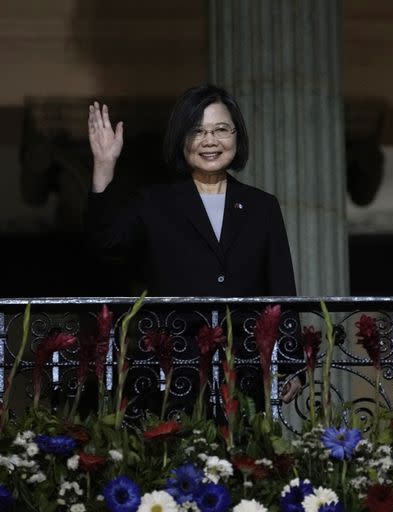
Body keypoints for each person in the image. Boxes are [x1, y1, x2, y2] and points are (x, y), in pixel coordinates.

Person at [85, 84, 300, 403]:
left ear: (236, 136)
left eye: (221, 129)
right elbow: (106, 243)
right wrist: (104, 165)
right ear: (181, 139)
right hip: (172, 371)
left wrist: (289, 365)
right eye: (197, 131)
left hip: (244, 368)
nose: (210, 140)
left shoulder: (262, 207)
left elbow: (281, 286)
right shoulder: (155, 203)